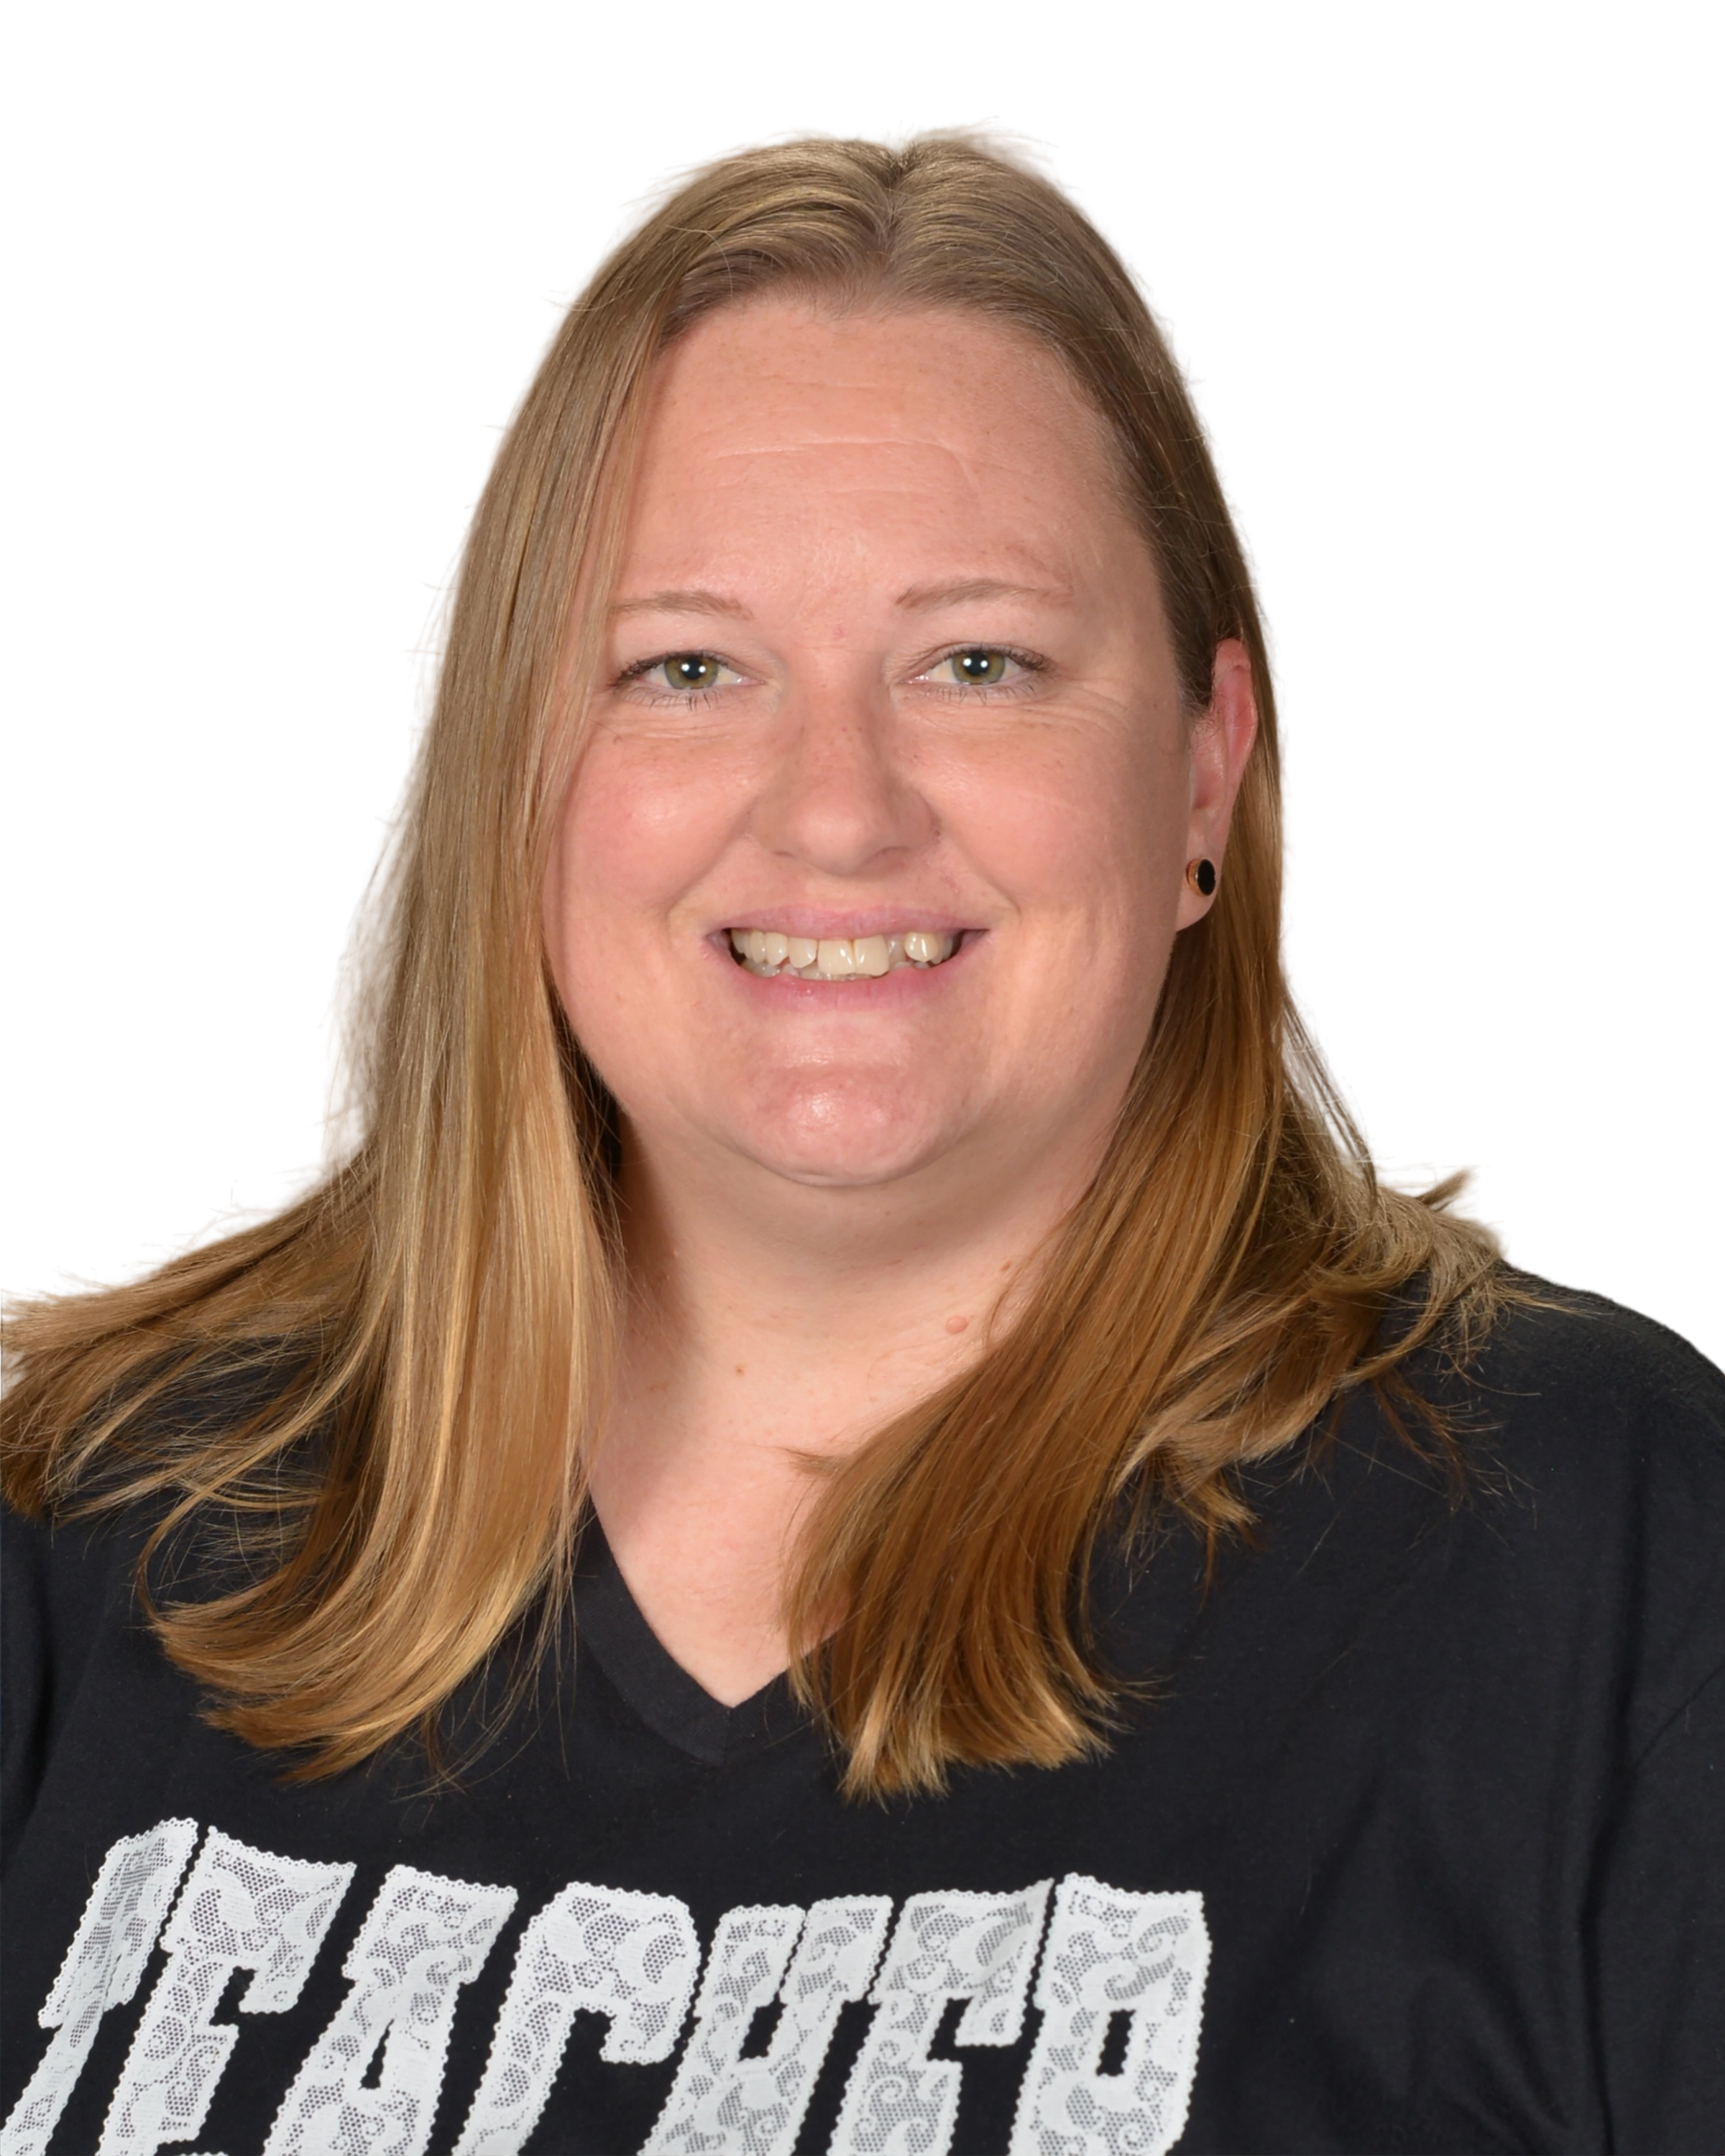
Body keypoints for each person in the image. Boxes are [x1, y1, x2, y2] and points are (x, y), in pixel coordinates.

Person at [2, 116, 1720, 2156]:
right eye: (686, 667)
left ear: (1203, 771)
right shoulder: (70, 1520)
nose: (835, 811)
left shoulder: (1596, 1545)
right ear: (512, 771)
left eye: (978, 663)